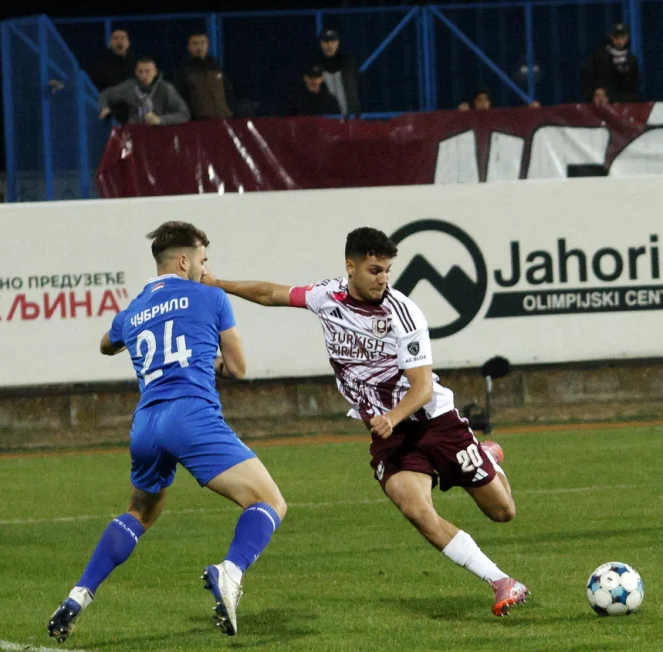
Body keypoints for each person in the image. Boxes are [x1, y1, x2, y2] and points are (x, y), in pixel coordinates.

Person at [202, 227, 530, 617]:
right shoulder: (327, 296)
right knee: (416, 510)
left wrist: (391, 416)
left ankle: (486, 456)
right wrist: (218, 284)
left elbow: (423, 387)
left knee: (502, 512)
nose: (383, 279)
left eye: (387, 270)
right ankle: (500, 581)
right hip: (391, 435)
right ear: (350, 266)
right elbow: (272, 294)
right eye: (375, 270)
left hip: (433, 421)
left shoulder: (403, 314)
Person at [47, 222, 286, 642]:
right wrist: (201, 359)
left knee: (141, 511)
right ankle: (229, 572)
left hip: (145, 424)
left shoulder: (137, 306)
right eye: (202, 260)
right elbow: (238, 368)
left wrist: (137, 331)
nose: (205, 268)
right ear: (182, 260)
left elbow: (107, 343)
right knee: (269, 501)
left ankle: (77, 597)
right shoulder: (211, 296)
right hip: (190, 415)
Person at [97, 57, 190, 126]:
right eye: (140, 72)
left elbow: (184, 115)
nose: (144, 75)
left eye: (147, 71)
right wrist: (104, 107)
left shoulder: (165, 88)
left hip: (159, 133)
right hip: (134, 133)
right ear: (136, 73)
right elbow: (105, 94)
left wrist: (160, 120)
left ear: (155, 72)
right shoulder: (130, 86)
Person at [174, 30, 234, 120]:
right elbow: (180, 99)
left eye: (203, 43)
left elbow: (228, 91)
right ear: (189, 47)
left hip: (224, 119)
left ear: (207, 45)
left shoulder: (216, 67)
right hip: (199, 123)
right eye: (195, 44)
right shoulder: (184, 71)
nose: (199, 47)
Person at [582, 23, 641, 103]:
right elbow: (588, 77)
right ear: (611, 37)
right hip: (599, 103)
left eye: (622, 37)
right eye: (617, 37)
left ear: (627, 38)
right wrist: (595, 93)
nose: (619, 40)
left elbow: (634, 86)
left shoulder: (631, 60)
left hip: (623, 104)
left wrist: (612, 97)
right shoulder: (600, 56)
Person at [312, 29, 361, 117]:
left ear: (338, 43)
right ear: (320, 44)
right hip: (321, 118)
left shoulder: (348, 63)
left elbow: (355, 90)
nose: (329, 45)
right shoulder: (313, 65)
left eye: (333, 41)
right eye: (325, 41)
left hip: (347, 117)